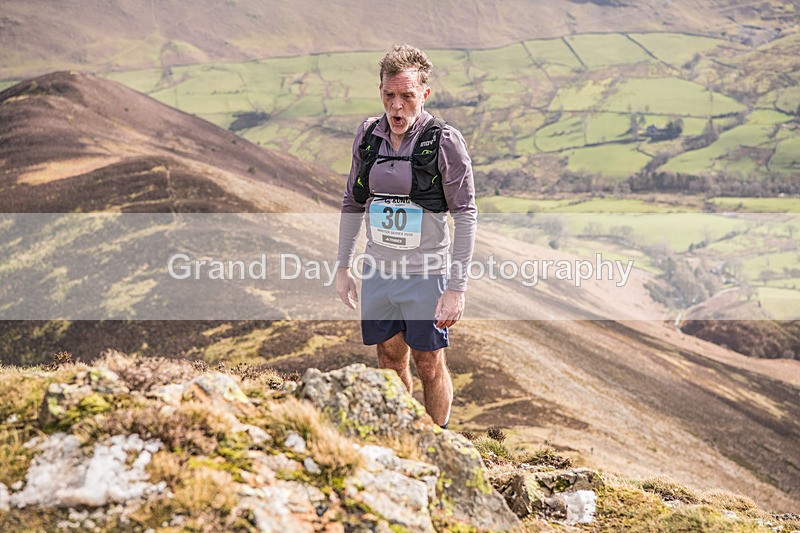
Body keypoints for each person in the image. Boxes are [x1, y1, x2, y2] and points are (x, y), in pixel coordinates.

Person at [335, 44, 477, 429]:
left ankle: (439, 441)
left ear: (424, 94)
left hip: (427, 274)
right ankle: (403, 436)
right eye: (389, 95)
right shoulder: (368, 136)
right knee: (388, 357)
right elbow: (352, 201)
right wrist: (343, 266)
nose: (396, 106)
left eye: (407, 96)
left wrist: (457, 288)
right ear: (380, 90)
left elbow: (465, 215)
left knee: (429, 363)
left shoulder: (444, 141)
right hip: (379, 270)